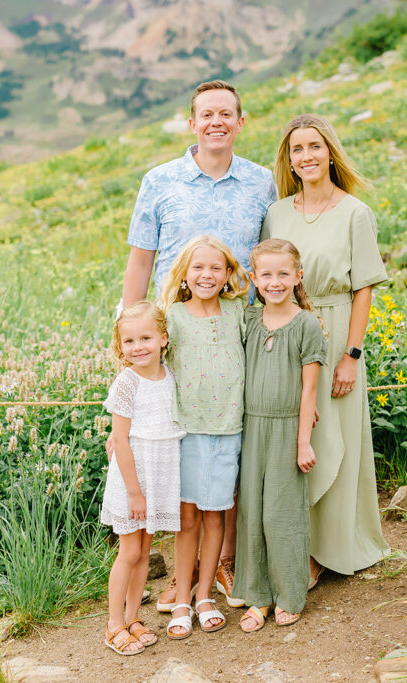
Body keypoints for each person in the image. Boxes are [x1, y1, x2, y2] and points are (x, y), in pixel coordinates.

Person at [121, 79, 275, 611]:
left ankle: (226, 561)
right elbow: (141, 259)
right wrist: (130, 329)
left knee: (229, 446)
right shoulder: (160, 180)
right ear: (192, 123)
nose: (216, 122)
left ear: (239, 121)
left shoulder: (261, 183)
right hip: (174, 337)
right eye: (206, 113)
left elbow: (272, 253)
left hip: (235, 335)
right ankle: (180, 573)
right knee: (174, 448)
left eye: (226, 114)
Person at [261, 114, 391, 584]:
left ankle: (333, 549)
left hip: (337, 331)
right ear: (289, 159)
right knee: (297, 437)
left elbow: (363, 290)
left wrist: (351, 356)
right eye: (297, 149)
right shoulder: (277, 213)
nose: (306, 156)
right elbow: (267, 278)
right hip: (289, 330)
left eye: (314, 146)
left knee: (335, 439)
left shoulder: (355, 212)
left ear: (329, 151)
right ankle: (297, 546)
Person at [157, 235, 250, 639]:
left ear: (229, 274)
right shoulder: (172, 318)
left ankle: (206, 595)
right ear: (184, 275)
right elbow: (148, 369)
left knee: (217, 514)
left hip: (228, 429)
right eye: (198, 267)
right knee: (187, 517)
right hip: (187, 431)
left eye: (216, 267)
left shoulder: (238, 312)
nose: (206, 275)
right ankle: (181, 597)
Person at [234, 238, 326, 632]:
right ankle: (258, 598)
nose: (274, 282)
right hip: (250, 426)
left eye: (283, 274)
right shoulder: (248, 319)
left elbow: (309, 389)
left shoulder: (306, 324)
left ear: (297, 276)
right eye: (266, 274)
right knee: (251, 512)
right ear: (253, 278)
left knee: (282, 514)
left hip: (288, 427)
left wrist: (303, 439)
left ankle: (289, 594)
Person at [100, 301, 184, 656]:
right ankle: (114, 624)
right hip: (132, 478)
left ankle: (134, 618)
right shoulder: (126, 382)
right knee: (130, 550)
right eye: (130, 341)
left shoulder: (170, 377)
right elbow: (119, 439)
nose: (138, 347)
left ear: (163, 338)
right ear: (121, 347)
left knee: (146, 551)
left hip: (158, 473)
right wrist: (134, 493)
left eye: (146, 338)